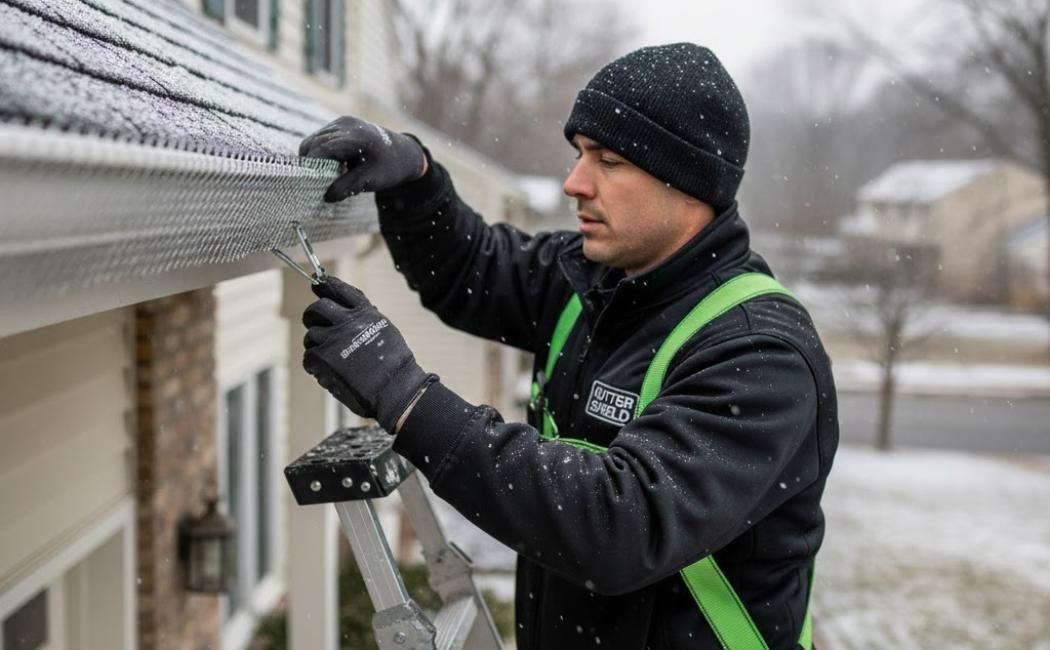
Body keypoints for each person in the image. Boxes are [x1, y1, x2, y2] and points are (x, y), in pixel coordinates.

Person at [299, 43, 838, 650]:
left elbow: (618, 525)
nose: (574, 183)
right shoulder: (595, 281)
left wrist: (407, 400)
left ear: (689, 184)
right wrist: (415, 179)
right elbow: (472, 267)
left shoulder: (760, 357)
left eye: (608, 161)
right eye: (580, 155)